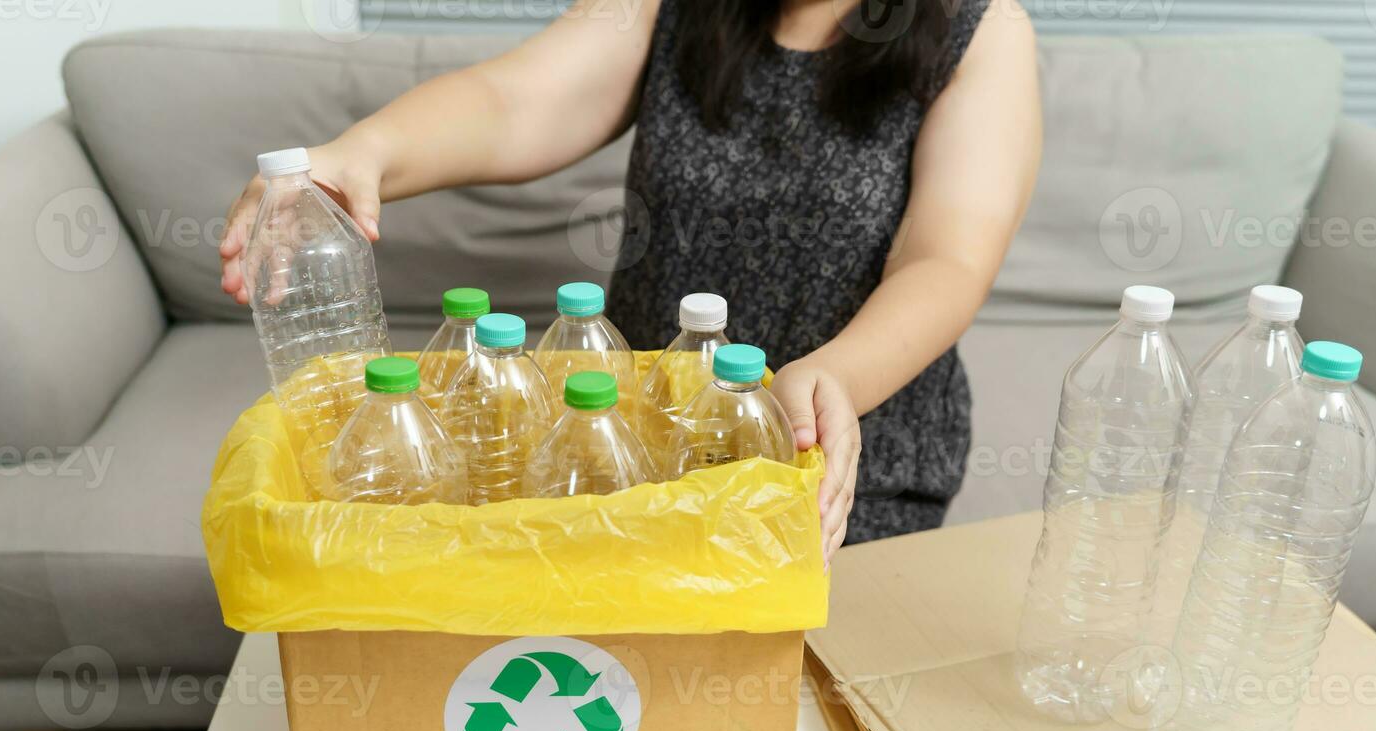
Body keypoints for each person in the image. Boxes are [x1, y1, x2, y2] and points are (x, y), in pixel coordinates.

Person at [220, 0, 1041, 559]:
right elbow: (516, 100)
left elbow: (948, 254)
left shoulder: (980, 25)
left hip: (839, 449)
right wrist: (364, 154)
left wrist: (836, 378)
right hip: (633, 442)